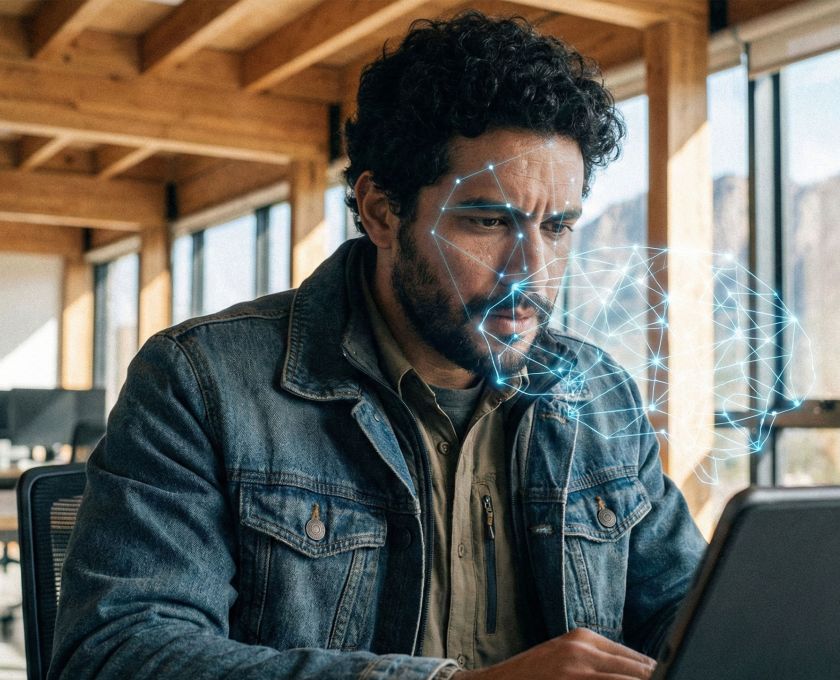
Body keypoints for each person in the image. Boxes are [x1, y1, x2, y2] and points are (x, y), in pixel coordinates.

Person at [49, 11, 705, 680]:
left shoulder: (595, 394)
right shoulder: (200, 382)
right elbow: (119, 653)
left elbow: (687, 612)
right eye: (486, 222)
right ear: (382, 212)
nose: (531, 271)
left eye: (558, 227)